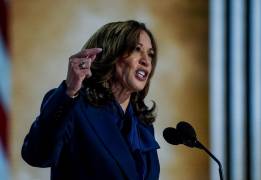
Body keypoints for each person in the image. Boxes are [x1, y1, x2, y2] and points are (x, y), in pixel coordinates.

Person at [21, 20, 160, 180]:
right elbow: (36, 155)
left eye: (150, 54)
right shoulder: (72, 104)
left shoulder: (143, 125)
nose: (146, 61)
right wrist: (69, 91)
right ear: (111, 53)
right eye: (137, 49)